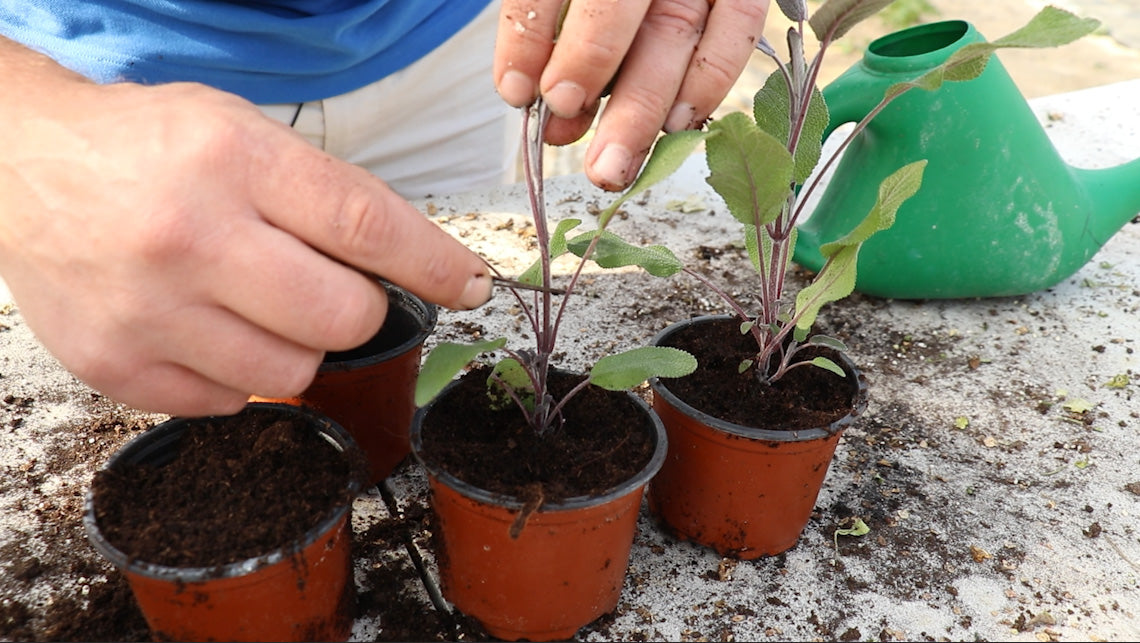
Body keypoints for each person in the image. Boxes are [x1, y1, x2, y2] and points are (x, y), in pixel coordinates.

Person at [0, 0, 770, 417]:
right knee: (238, 402)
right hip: (110, 97)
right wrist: (25, 133)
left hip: (457, 44)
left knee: (409, 345)